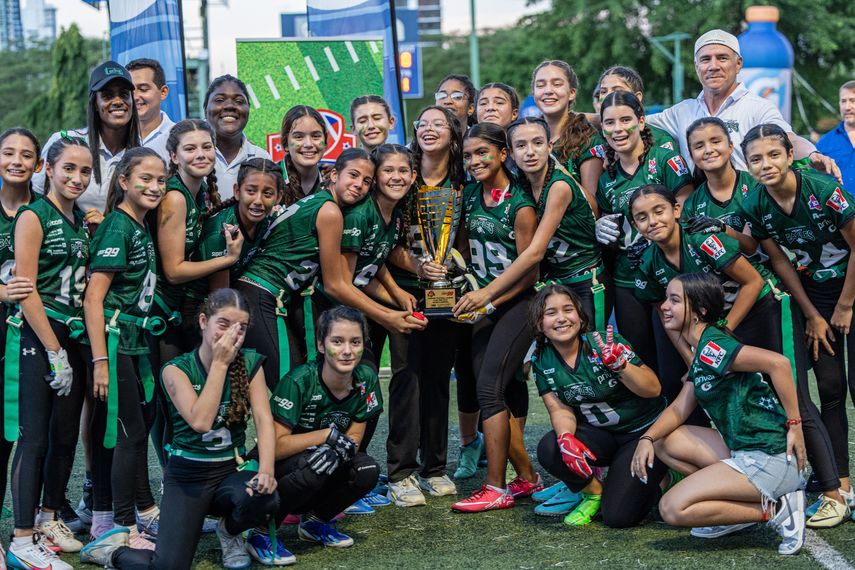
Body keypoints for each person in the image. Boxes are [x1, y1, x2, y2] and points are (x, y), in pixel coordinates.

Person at [80, 288, 280, 570]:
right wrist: (220, 364)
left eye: (241, 328)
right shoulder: (176, 369)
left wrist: (266, 470)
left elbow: (263, 418)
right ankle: (110, 553)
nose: (232, 334)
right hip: (187, 479)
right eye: (223, 324)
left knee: (267, 497)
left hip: (228, 473)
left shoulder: (249, 362)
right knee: (169, 566)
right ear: (202, 322)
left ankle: (230, 532)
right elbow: (201, 421)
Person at [631, 273, 806, 555]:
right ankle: (731, 514)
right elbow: (678, 408)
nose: (664, 306)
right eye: (666, 298)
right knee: (665, 441)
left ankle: (776, 509)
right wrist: (646, 439)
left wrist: (795, 424)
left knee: (672, 508)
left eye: (674, 300)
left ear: (700, 310)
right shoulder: (702, 348)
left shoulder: (713, 347)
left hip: (770, 457)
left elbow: (779, 363)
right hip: (745, 450)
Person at [741, 123, 855, 527]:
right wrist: (812, 313)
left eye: (774, 154)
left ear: (791, 155)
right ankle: (840, 488)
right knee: (829, 389)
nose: (766, 164)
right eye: (756, 158)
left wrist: (844, 305)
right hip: (817, 296)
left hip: (850, 289)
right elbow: (780, 261)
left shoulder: (823, 189)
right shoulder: (756, 203)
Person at [239, 148, 424, 390]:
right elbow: (336, 285)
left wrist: (395, 294)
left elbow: (366, 267)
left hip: (273, 295)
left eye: (366, 181)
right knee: (288, 384)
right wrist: (387, 317)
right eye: (353, 175)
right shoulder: (330, 211)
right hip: (262, 291)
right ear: (334, 175)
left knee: (292, 380)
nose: (358, 185)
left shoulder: (330, 205)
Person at [5, 135, 92, 570]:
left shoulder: (78, 219)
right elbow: (26, 289)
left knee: (64, 437)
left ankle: (47, 519)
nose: (77, 178)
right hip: (41, 336)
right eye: (69, 169)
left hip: (73, 335)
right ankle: (21, 538)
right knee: (34, 436)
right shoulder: (33, 216)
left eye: (85, 171)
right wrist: (54, 349)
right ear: (48, 170)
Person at [450, 122, 540, 513]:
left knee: (490, 389)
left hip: (517, 303)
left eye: (482, 153)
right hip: (483, 303)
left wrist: (489, 297)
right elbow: (466, 248)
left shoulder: (519, 203)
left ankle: (495, 486)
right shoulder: (469, 195)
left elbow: (529, 272)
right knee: (489, 391)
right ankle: (527, 479)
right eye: (468, 155)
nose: (474, 161)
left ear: (504, 153)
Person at [246, 306, 382, 563]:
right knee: (316, 462)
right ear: (321, 345)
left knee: (367, 470)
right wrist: (326, 437)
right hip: (282, 470)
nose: (347, 351)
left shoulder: (366, 378)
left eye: (355, 342)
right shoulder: (299, 381)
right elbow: (272, 447)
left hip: (317, 468)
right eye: (337, 341)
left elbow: (354, 438)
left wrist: (341, 447)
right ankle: (261, 532)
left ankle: (315, 522)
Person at [82, 147, 166, 548]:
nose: (154, 186)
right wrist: (100, 360)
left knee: (136, 429)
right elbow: (93, 299)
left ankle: (140, 512)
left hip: (135, 344)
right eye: (145, 178)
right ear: (124, 182)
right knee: (129, 435)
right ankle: (122, 527)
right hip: (115, 346)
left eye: (161, 179)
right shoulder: (118, 227)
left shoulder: (138, 225)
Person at [529, 285, 666, 527]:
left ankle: (663, 474)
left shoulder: (602, 343)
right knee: (551, 447)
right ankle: (593, 491)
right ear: (539, 324)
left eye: (568, 310)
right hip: (602, 435)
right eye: (551, 313)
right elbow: (559, 409)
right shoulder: (541, 359)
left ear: (581, 317)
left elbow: (653, 389)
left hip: (642, 434)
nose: (561, 318)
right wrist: (565, 439)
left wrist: (622, 367)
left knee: (618, 517)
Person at [383, 106, 466, 504]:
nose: (430, 129)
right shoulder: (402, 176)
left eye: (440, 123)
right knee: (406, 377)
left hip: (449, 293)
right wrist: (416, 263)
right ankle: (400, 472)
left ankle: (435, 466)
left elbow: (469, 235)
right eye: (423, 123)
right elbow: (386, 241)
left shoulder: (464, 178)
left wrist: (454, 263)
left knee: (437, 377)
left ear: (454, 132)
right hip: (406, 291)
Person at [594, 91, 693, 384]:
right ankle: (653, 428)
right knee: (643, 362)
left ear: (641, 121)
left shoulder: (664, 158)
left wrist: (657, 240)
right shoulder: (606, 177)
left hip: (669, 275)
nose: (618, 129)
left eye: (626, 120)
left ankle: (688, 429)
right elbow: (610, 221)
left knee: (676, 364)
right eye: (609, 123)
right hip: (629, 279)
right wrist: (601, 226)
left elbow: (684, 207)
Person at [647, 29, 839, 178]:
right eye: (705, 59)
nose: (713, 66)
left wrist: (813, 154)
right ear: (697, 67)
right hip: (696, 216)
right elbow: (632, 122)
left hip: (748, 217)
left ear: (738, 64)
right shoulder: (682, 111)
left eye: (722, 58)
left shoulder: (757, 108)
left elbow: (789, 138)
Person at [0, 127, 40, 563]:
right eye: (8, 152)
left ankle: (29, 532)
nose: (16, 161)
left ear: (38, 164)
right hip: (2, 337)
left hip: (38, 339)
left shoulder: (47, 212)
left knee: (35, 439)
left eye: (26, 154)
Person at [33, 61, 141, 217]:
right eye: (107, 95)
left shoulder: (142, 155)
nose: (118, 101)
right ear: (95, 104)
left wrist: (106, 228)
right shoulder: (64, 142)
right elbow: (36, 197)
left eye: (124, 94)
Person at [198, 158, 285, 290]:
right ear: (237, 192)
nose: (258, 200)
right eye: (251, 191)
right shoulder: (220, 233)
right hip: (205, 302)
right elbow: (221, 297)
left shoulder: (268, 222)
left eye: (267, 194)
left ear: (278, 198)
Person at [531, 60, 602, 211]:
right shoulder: (523, 137)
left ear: (572, 93)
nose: (548, 90)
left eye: (557, 84)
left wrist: (559, 171)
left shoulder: (588, 139)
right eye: (540, 85)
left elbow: (593, 208)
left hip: (571, 231)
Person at [204, 75, 271, 201]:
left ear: (248, 110)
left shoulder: (262, 158)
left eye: (239, 101)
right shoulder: (188, 156)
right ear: (205, 109)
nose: (229, 106)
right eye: (219, 100)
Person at [595, 66, 679, 151]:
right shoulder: (592, 141)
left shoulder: (661, 141)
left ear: (637, 97)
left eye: (617, 91)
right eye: (603, 92)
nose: (608, 96)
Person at [126, 58, 174, 164]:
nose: (135, 96)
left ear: (163, 92)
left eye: (143, 89)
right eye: (129, 91)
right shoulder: (117, 137)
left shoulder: (179, 137)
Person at [817, 80, 855, 192]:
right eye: (843, 101)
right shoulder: (823, 143)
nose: (847, 107)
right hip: (836, 209)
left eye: (853, 101)